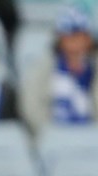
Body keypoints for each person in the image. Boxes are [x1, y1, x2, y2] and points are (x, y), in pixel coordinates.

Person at [21, 5, 98, 135]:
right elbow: (30, 105)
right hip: (53, 137)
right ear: (60, 39)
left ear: (88, 39)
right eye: (68, 36)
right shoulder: (43, 68)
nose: (74, 43)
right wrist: (47, 132)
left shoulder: (94, 67)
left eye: (79, 35)